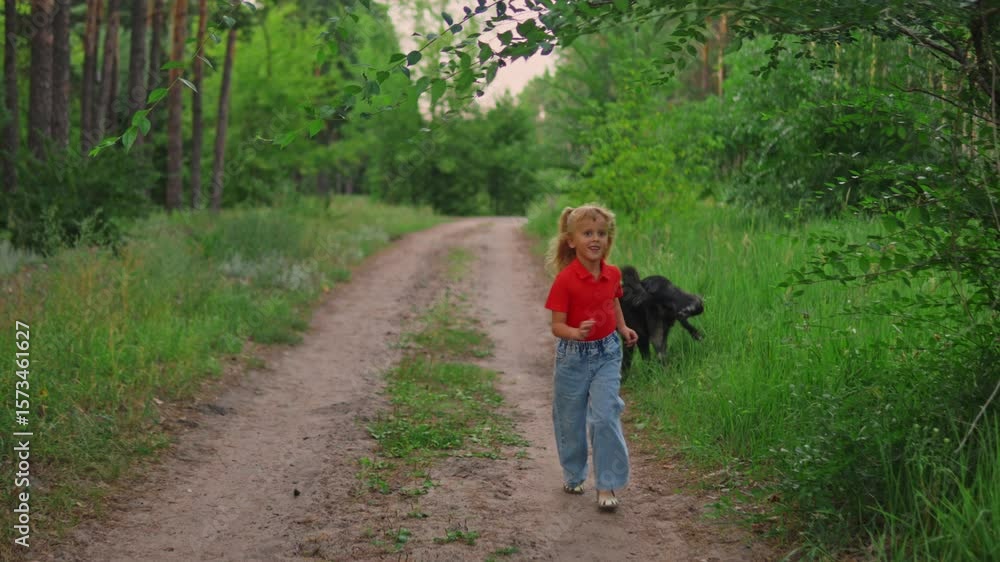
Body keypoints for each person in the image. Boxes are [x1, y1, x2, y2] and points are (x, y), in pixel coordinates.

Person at [543, 204, 639, 512]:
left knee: (606, 415)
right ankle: (574, 473)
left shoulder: (612, 274)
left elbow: (613, 302)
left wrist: (622, 328)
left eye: (601, 233)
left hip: (607, 353)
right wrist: (575, 332)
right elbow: (557, 326)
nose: (595, 239)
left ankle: (607, 483)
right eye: (587, 233)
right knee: (569, 420)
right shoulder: (565, 280)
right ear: (572, 240)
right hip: (573, 358)